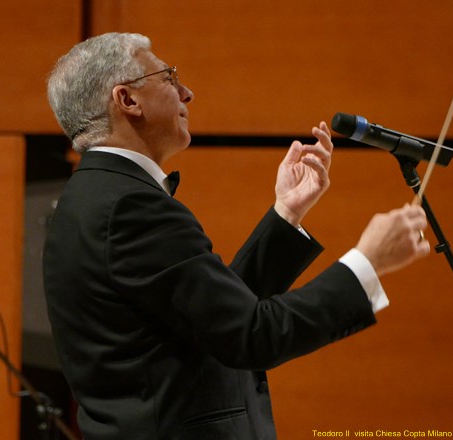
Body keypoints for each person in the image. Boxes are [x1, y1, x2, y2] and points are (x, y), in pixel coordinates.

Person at [43, 32, 430, 440]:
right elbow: (251, 336)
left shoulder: (92, 197)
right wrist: (367, 263)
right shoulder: (128, 206)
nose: (186, 93)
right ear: (127, 100)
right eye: (169, 77)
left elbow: (213, 317)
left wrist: (286, 214)